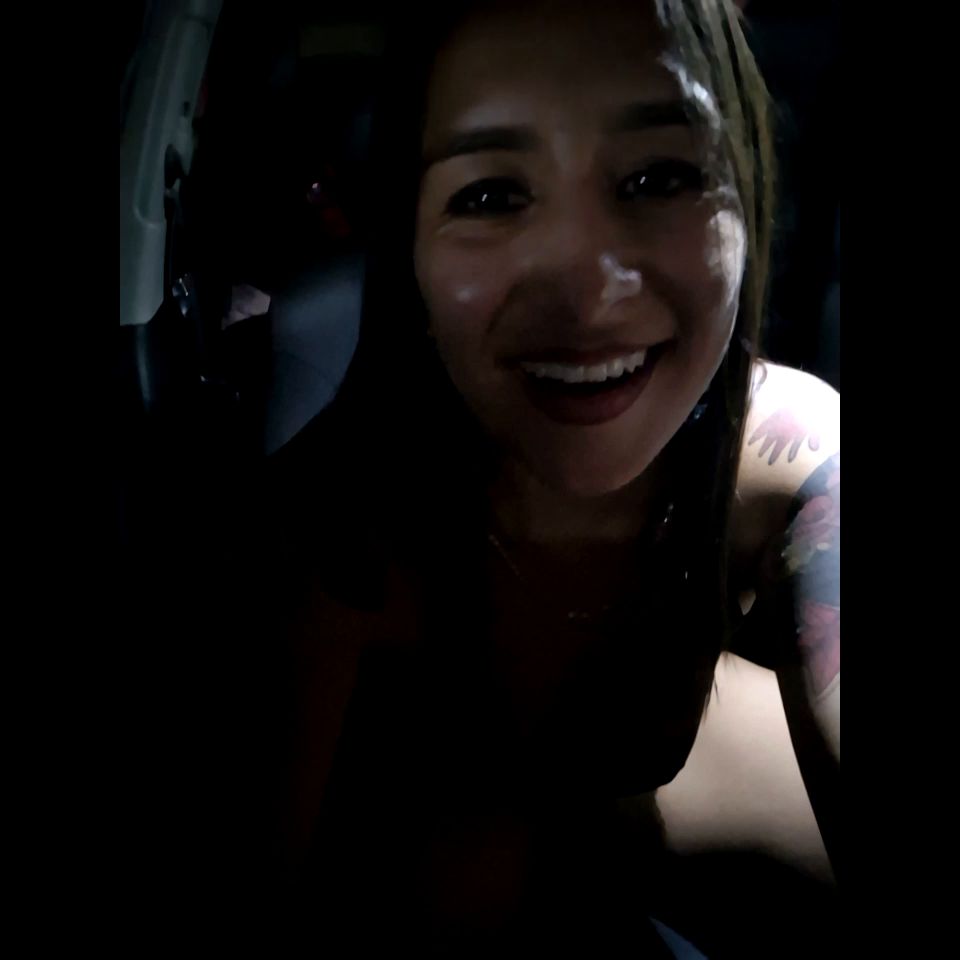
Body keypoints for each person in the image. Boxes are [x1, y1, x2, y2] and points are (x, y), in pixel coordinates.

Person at [257, 0, 839, 954]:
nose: (588, 290)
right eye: (491, 195)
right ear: (407, 243)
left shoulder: (797, 464)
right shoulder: (333, 539)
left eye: (660, 177)